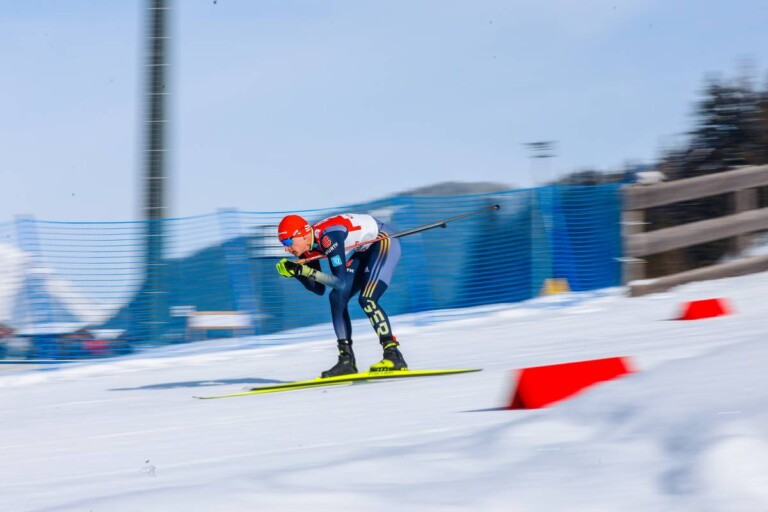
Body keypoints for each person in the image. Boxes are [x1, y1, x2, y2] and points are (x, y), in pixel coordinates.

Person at [275, 213, 407, 378]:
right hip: (364, 249)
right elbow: (318, 289)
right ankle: (346, 360)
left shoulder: (329, 237)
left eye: (288, 242)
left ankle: (393, 354)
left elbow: (340, 282)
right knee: (336, 298)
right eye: (283, 244)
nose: (286, 249)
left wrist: (305, 271)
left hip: (383, 240)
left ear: (302, 234)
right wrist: (296, 273)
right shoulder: (307, 247)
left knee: (367, 298)